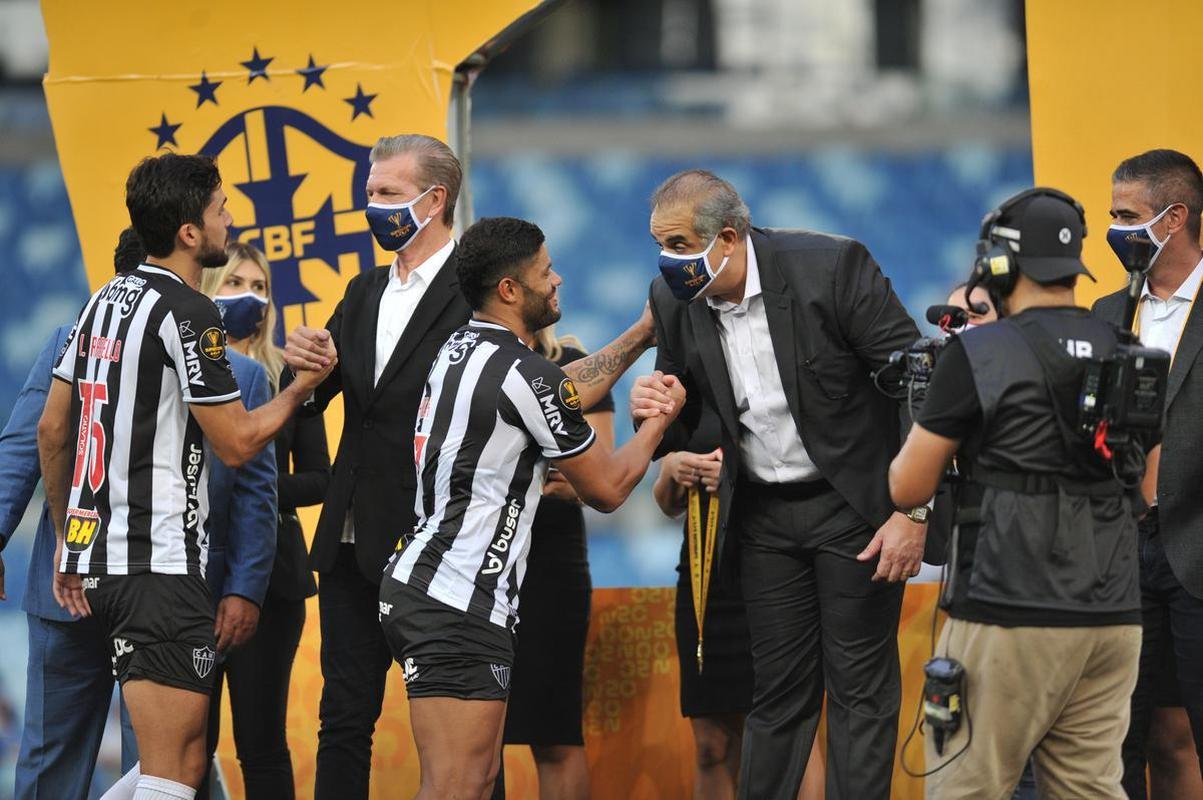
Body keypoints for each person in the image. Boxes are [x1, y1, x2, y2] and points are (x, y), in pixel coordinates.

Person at [36, 152, 335, 799]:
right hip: (160, 568)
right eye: (220, 209)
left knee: (186, 759)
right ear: (189, 232)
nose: (229, 219)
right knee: (173, 767)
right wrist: (300, 387)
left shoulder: (100, 304)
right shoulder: (188, 313)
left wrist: (70, 538)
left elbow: (52, 431)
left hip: (111, 564)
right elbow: (236, 444)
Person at [370, 215, 682, 799]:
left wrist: (642, 334)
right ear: (510, 289)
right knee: (457, 787)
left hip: (435, 586)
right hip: (457, 597)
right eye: (545, 271)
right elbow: (608, 489)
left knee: (466, 781)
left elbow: (560, 391)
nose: (558, 279)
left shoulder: (463, 348)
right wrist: (656, 425)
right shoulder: (524, 372)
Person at [638, 169, 922, 800]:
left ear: (730, 237)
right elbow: (686, 416)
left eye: (680, 244)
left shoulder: (832, 266)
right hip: (761, 516)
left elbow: (918, 383)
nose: (668, 261)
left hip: (853, 509)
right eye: (660, 245)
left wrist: (914, 510)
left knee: (858, 688)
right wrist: (659, 403)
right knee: (777, 693)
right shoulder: (669, 299)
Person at [890, 187, 1155, 798]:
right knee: (1089, 789)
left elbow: (908, 484)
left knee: (967, 787)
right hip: (1113, 615)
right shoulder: (1129, 349)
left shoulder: (978, 353)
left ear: (1000, 264)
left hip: (1008, 607)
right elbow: (1148, 484)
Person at [282, 133, 472, 800]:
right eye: (370, 194)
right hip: (349, 540)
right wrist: (302, 366)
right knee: (343, 718)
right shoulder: (362, 290)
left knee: (454, 729)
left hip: (435, 544)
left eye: (388, 194)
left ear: (435, 199)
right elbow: (311, 398)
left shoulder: (471, 290)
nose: (374, 207)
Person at [2, 228, 152, 800]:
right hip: (147, 593)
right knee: (155, 772)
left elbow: (21, 447)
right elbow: (27, 446)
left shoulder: (74, 338)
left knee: (146, 769)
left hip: (108, 590)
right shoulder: (197, 348)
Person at [1091, 148, 1203, 800]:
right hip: (1122, 557)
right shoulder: (1106, 312)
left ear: (1174, 217)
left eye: (1127, 215)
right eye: (1111, 215)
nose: (1115, 230)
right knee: (1125, 738)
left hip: (1197, 548)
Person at [200, 241, 329, 798]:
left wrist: (248, 489)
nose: (248, 298)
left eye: (260, 287)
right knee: (184, 750)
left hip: (272, 581)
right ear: (208, 289)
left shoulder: (289, 377)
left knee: (262, 745)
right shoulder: (179, 371)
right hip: (188, 577)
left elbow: (320, 477)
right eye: (234, 284)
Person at [652, 406, 825, 800]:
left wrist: (735, 477)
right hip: (702, 574)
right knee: (711, 743)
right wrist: (672, 468)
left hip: (777, 563)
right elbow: (667, 502)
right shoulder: (686, 390)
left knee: (788, 730)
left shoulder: (780, 379)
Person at [500, 324, 614, 800]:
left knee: (554, 734)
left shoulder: (570, 360)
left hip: (552, 564)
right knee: (476, 738)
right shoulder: (465, 359)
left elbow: (595, 474)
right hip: (481, 564)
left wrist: (519, 471)